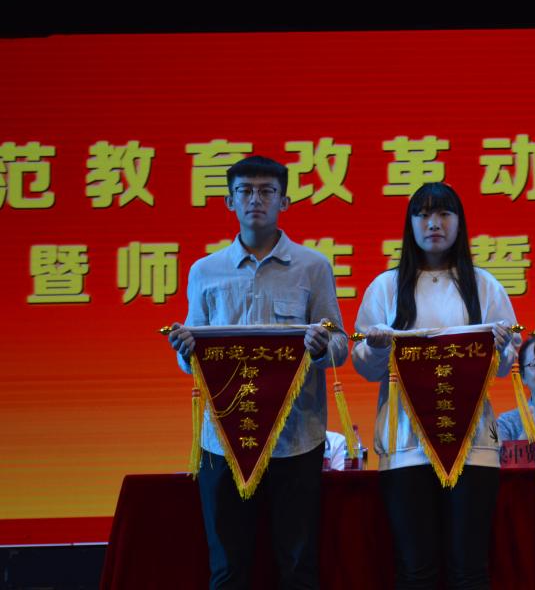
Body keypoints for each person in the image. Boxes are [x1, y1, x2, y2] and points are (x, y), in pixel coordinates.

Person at [166, 155, 348, 589]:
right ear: (229, 201)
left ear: (284, 200)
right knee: (228, 569)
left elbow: (340, 345)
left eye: (267, 191)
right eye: (245, 191)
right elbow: (192, 358)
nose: (255, 200)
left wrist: (322, 347)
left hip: (296, 439)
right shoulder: (204, 271)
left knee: (298, 567)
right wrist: (184, 350)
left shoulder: (313, 267)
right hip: (223, 440)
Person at [352, 182, 516, 589]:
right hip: (405, 445)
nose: (434, 224)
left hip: (473, 445)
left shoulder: (485, 285)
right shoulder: (385, 287)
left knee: (469, 569)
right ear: (410, 224)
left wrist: (502, 348)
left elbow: (503, 368)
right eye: (423, 215)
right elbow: (366, 368)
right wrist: (375, 348)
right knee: (416, 569)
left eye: (444, 214)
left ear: (459, 222)